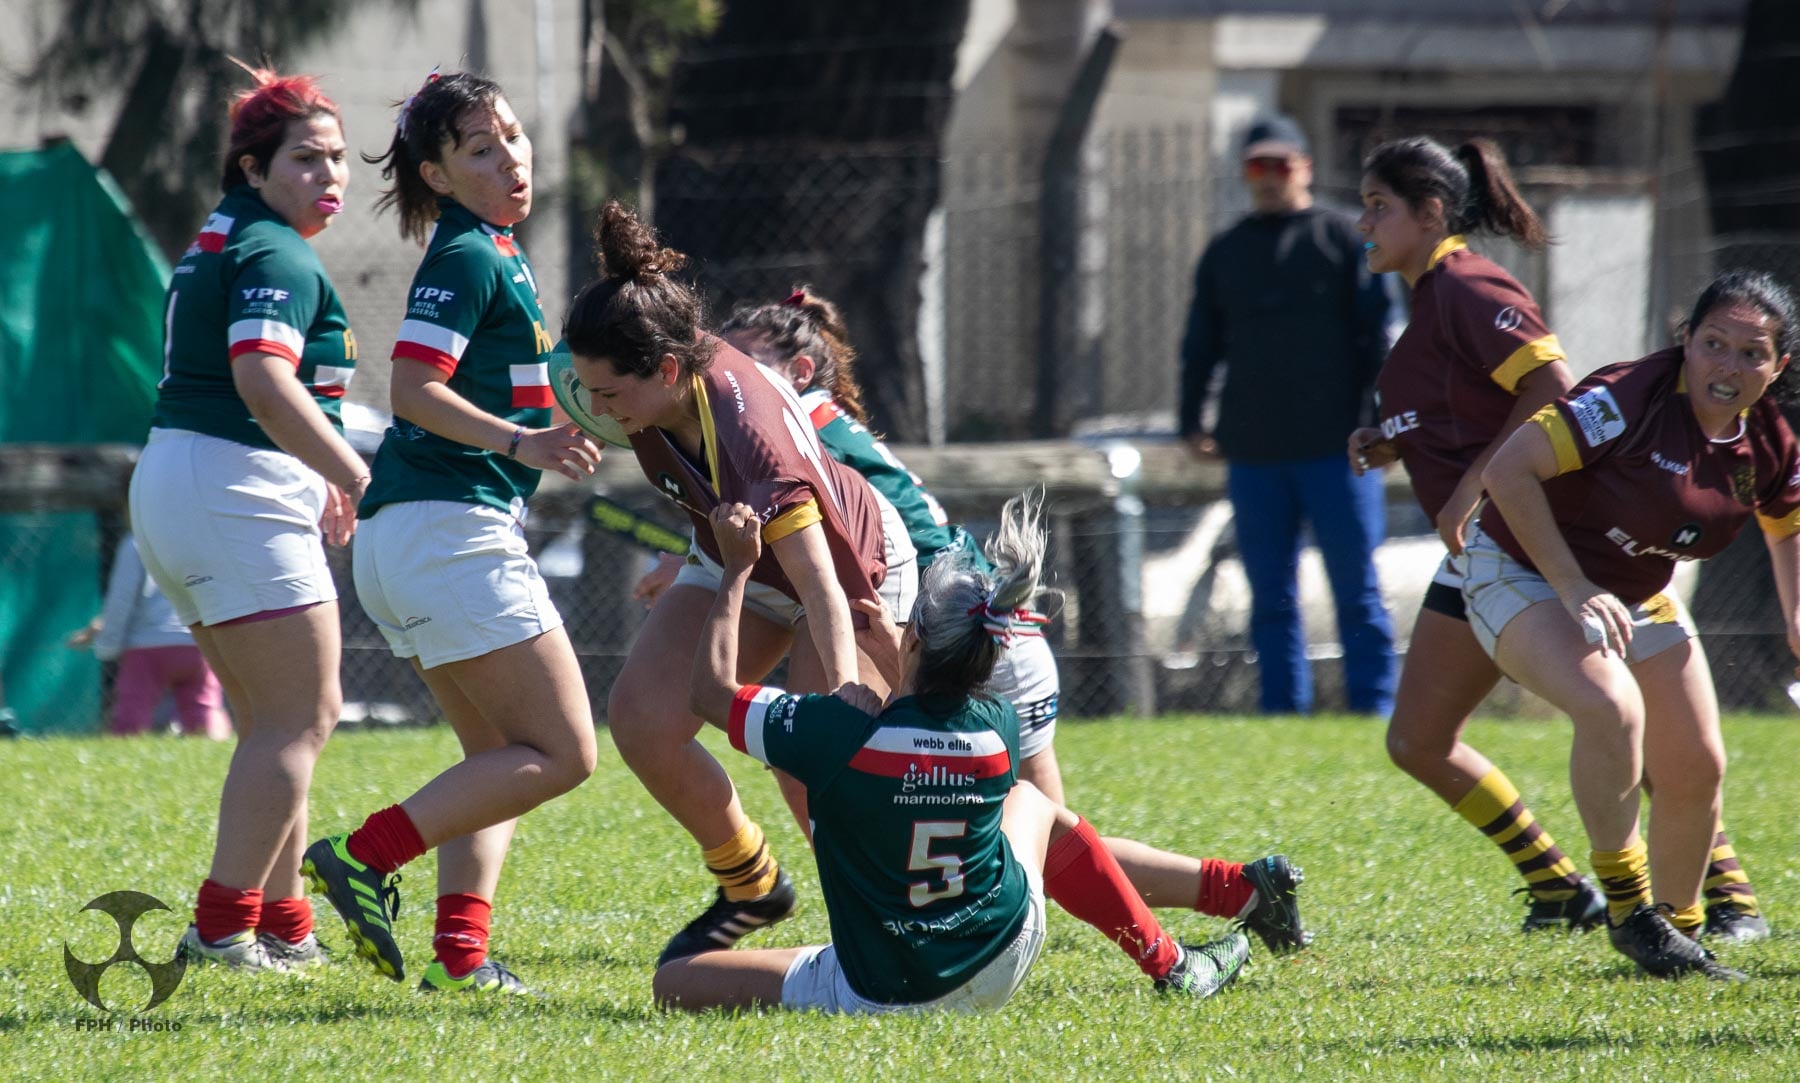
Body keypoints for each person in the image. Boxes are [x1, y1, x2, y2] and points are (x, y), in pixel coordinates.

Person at [709, 287, 1310, 947]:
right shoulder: (817, 426)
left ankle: (1223, 904)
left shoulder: (799, 429)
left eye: (742, 363)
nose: (729, 381)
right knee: (1045, 840)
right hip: (986, 630)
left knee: (1032, 845)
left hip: (970, 642)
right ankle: (1241, 889)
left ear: (797, 372)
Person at [1349, 135, 1767, 946]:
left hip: (1532, 545)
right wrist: (1398, 440)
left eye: (1377, 205)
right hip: (1482, 556)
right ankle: (1556, 884)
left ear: (1431, 214)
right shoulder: (1429, 297)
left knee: (1623, 720)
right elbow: (1465, 403)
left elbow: (1548, 383)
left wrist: (1473, 482)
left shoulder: (1468, 284)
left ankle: (1726, 895)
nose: (1362, 221)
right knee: (1418, 740)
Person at [654, 495, 1257, 1013]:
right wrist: (900, 656)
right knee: (1031, 802)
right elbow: (922, 729)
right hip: (1001, 956)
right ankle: (1172, 964)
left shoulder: (831, 732)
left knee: (671, 983)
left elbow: (709, 692)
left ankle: (1179, 959)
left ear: (911, 636)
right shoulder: (996, 728)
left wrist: (737, 569)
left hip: (874, 990)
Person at [302, 71, 600, 995]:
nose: (509, 154)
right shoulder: (471, 254)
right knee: (564, 753)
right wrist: (525, 440)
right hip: (447, 532)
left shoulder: (498, 250)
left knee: (498, 761)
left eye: (512, 134)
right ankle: (363, 854)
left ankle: (462, 959)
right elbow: (411, 390)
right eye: (480, 147)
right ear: (436, 172)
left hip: (417, 537)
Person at [562, 202, 918, 968]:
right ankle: (751, 883)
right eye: (587, 392)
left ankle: (901, 924)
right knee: (642, 718)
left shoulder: (751, 438)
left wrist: (851, 690)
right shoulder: (650, 370)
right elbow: (735, 537)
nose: (598, 411)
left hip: (848, 560)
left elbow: (820, 584)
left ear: (663, 371)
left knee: (817, 765)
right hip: (742, 551)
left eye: (608, 396)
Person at [1469, 269, 1800, 980]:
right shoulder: (1628, 398)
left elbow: (1786, 522)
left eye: (1752, 353)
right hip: (1522, 569)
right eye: (1714, 343)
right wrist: (1571, 582)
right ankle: (1629, 910)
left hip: (1633, 593)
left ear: (1780, 366)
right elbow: (1508, 470)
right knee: (1610, 707)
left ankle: (1677, 936)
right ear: (1685, 341)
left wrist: (1797, 614)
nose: (1729, 366)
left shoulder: (1766, 439)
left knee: (1698, 763)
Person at [131, 64, 363, 971]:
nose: (330, 176)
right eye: (306, 159)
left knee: (279, 716)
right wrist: (355, 473)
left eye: (338, 159)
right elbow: (262, 380)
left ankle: (282, 924)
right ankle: (225, 924)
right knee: (302, 715)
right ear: (252, 167)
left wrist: (325, 478)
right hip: (231, 486)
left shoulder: (228, 235)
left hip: (184, 482)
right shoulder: (275, 250)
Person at [1178, 114, 1396, 717]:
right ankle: (1283, 714)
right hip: (1255, 451)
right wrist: (1190, 420)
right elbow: (1200, 344)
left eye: (1280, 164)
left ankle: (1375, 708)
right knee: (1270, 598)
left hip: (1340, 450)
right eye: (1257, 166)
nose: (1269, 178)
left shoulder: (1345, 238)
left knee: (1357, 593)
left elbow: (1381, 338)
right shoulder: (1226, 251)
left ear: (1304, 166)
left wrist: (1379, 423)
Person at [67, 531, 232, 740]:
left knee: (131, 716)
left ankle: (124, 755)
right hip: (197, 642)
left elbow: (122, 599)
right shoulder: (201, 538)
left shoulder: (136, 543)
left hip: (147, 646)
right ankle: (210, 746)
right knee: (201, 710)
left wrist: (108, 646)